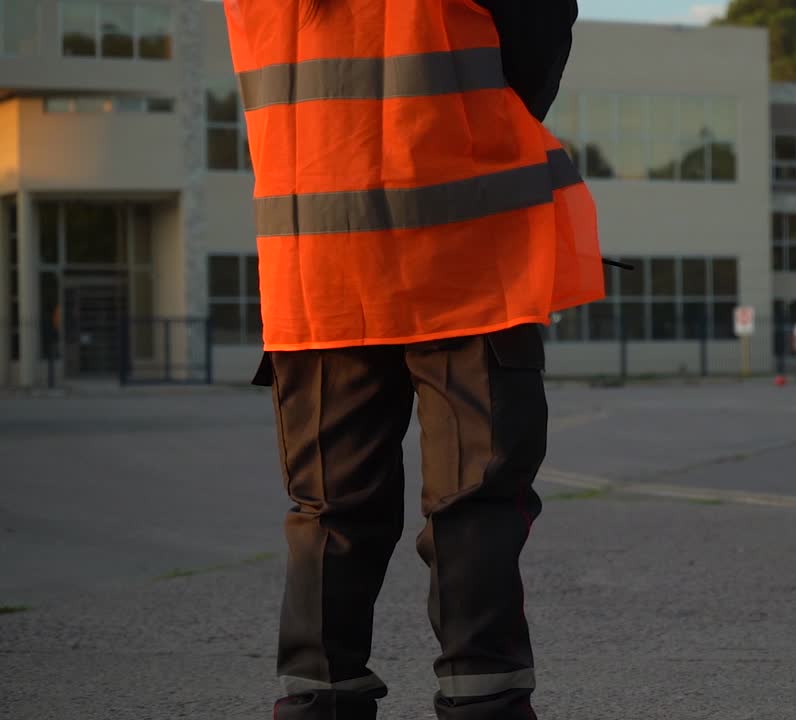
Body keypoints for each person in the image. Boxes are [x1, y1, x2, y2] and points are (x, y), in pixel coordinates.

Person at [221, 1, 604, 718]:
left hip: (319, 257)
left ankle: (317, 702)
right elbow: (537, 29)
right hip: (462, 251)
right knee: (475, 502)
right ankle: (483, 703)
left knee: (330, 510)